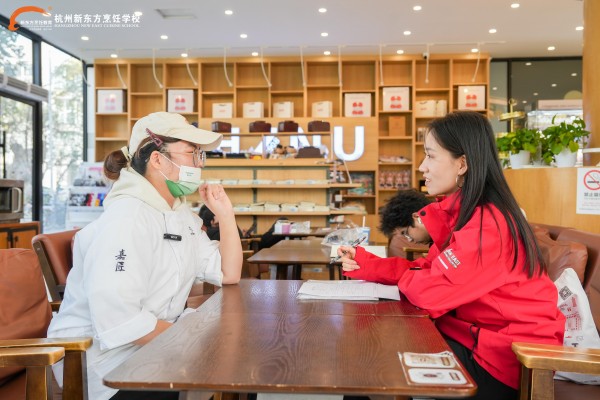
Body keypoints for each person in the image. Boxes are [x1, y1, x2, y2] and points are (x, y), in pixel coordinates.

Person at [339, 111, 565, 400]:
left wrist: (411, 280)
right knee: (363, 353)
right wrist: (367, 263)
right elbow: (427, 269)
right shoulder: (467, 215)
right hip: (475, 340)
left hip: (505, 360)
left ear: (462, 164)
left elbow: (431, 292)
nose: (422, 166)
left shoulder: (489, 225)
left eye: (430, 156)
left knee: (366, 357)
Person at [47, 112, 243, 400]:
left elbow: (229, 273)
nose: (199, 164)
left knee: (235, 362)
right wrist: (191, 339)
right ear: (158, 160)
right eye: (192, 153)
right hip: (107, 366)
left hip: (152, 347)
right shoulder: (126, 219)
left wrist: (226, 215)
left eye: (200, 155)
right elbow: (120, 321)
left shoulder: (178, 214)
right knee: (227, 364)